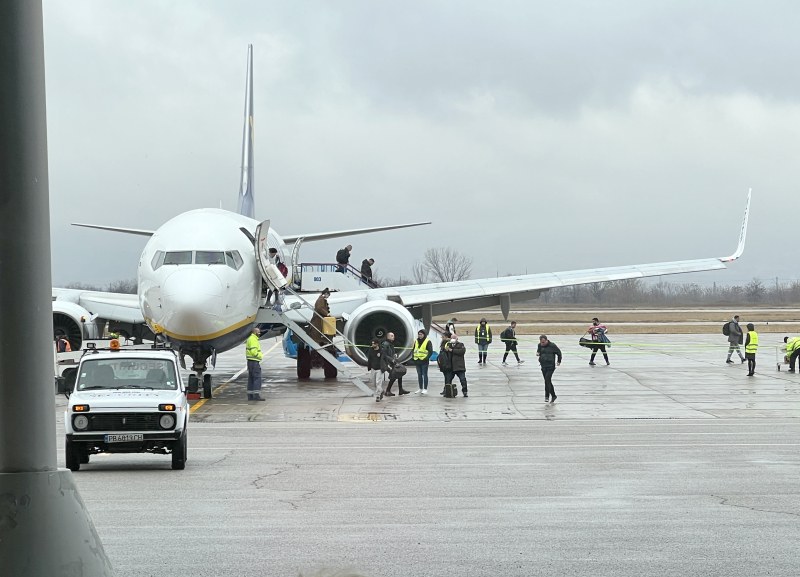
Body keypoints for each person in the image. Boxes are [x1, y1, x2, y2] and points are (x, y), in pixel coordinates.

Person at [536, 334, 562, 403]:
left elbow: (559, 353)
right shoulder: (539, 345)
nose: (542, 344)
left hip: (551, 366)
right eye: (541, 342)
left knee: (547, 380)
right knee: (547, 381)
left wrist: (559, 361)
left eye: (543, 342)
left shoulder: (552, 345)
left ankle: (547, 396)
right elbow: (538, 351)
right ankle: (553, 395)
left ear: (546, 340)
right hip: (543, 365)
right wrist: (538, 353)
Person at [245, 327, 265, 401]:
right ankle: (256, 395)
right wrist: (260, 356)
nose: (259, 334)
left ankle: (250, 395)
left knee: (251, 378)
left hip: (250, 362)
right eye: (258, 332)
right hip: (254, 361)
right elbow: (254, 352)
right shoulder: (253, 339)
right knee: (257, 378)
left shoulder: (250, 338)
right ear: (255, 333)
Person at [412, 329, 434, 393]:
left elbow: (430, 351)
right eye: (419, 334)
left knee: (425, 374)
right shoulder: (416, 341)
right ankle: (420, 388)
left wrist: (426, 358)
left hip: (424, 361)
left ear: (424, 335)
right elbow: (413, 349)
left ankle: (425, 388)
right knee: (419, 375)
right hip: (417, 360)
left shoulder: (428, 341)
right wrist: (413, 356)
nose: (419, 336)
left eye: (421, 334)